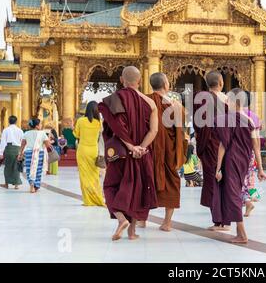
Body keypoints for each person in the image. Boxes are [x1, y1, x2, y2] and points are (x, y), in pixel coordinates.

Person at [98, 66, 158, 241]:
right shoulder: (150, 103)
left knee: (110, 187)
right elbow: (153, 131)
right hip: (142, 154)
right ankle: (132, 233)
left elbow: (117, 127)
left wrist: (132, 147)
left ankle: (121, 219)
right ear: (139, 81)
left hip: (121, 154)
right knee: (135, 190)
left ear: (122, 80)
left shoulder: (115, 99)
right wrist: (141, 148)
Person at [213, 88, 266, 244]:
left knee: (233, 194)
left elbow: (223, 146)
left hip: (230, 160)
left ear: (230, 101)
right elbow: (256, 146)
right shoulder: (250, 121)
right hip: (244, 160)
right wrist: (260, 169)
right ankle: (239, 232)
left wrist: (218, 168)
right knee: (236, 192)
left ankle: (242, 234)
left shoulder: (225, 119)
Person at [148, 73, 186, 232]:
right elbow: (182, 130)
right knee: (172, 183)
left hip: (149, 150)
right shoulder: (175, 105)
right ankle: (167, 222)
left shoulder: (146, 101)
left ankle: (141, 219)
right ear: (166, 85)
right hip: (169, 152)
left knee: (145, 182)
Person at [193, 70, 229, 231]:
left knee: (212, 182)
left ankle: (220, 221)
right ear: (221, 83)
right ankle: (224, 220)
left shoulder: (200, 100)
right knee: (225, 182)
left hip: (210, 146)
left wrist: (200, 146)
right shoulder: (230, 101)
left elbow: (198, 125)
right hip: (227, 147)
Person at [73, 101, 106, 207]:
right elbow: (101, 136)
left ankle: (88, 201)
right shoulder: (99, 122)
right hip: (94, 150)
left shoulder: (81, 121)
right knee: (94, 176)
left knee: (84, 176)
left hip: (82, 150)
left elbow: (76, 134)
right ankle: (98, 199)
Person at [18, 119, 52, 193]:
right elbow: (48, 145)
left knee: (29, 169)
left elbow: (23, 145)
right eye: (40, 124)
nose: (41, 125)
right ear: (36, 126)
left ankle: (31, 185)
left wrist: (20, 153)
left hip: (29, 153)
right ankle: (36, 186)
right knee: (38, 170)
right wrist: (48, 139)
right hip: (39, 153)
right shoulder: (42, 133)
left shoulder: (26, 133)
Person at [0, 116, 24, 190]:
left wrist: (1, 153)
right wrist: (22, 152)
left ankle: (6, 184)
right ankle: (16, 185)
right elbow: (23, 141)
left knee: (7, 167)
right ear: (16, 122)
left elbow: (3, 142)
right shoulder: (20, 130)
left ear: (8, 121)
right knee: (16, 166)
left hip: (9, 149)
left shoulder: (6, 130)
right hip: (17, 149)